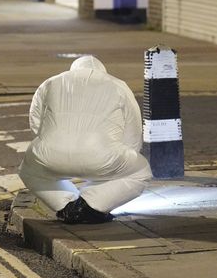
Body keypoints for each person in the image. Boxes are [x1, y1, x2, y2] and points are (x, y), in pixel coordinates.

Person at [18, 55, 153, 224]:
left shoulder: (50, 82)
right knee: (140, 172)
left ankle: (66, 206)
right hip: (102, 155)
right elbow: (132, 128)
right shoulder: (118, 85)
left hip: (51, 153)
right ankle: (90, 206)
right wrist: (123, 154)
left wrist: (49, 142)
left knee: (29, 171)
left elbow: (36, 122)